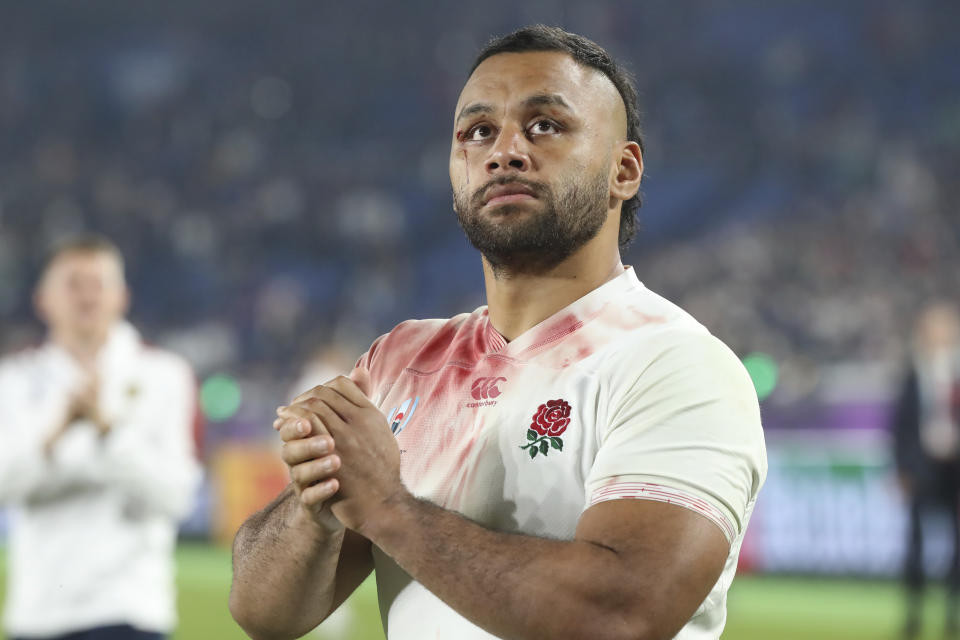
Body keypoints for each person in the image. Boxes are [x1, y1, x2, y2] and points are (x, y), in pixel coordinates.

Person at [229, 25, 767, 640]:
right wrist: (314, 503)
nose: (504, 150)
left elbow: (620, 617)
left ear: (624, 169)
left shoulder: (675, 363)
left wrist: (390, 509)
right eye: (478, 131)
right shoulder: (401, 362)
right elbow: (264, 615)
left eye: (545, 125)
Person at [0, 235, 202, 640]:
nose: (87, 296)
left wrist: (107, 431)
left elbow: (176, 496)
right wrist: (56, 432)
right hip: (38, 612)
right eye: (73, 283)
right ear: (43, 299)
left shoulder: (164, 375)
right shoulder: (15, 381)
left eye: (100, 284)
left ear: (122, 296)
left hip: (129, 608)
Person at [893, 302, 960, 639]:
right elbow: (900, 426)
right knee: (915, 546)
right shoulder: (914, 373)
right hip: (923, 469)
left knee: (957, 548)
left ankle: (952, 616)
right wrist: (903, 469)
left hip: (954, 472)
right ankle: (913, 617)